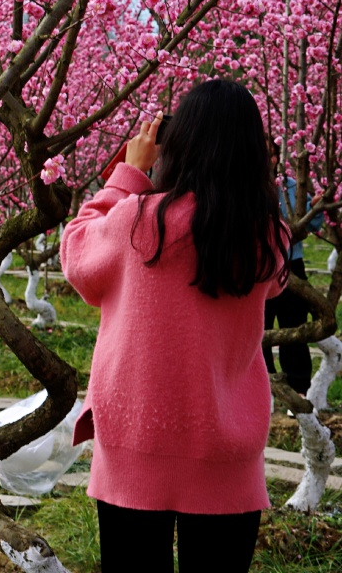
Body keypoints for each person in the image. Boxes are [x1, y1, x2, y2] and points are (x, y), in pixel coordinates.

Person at [60, 79, 290, 573]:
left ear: (177, 141)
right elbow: (272, 287)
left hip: (135, 444)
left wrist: (130, 172)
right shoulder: (268, 237)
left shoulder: (138, 221)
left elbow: (76, 253)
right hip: (227, 451)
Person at [263, 139, 325, 395]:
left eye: (273, 154)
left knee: (295, 326)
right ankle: (265, 388)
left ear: (278, 158)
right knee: (259, 330)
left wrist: (315, 208)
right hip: (260, 266)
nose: (269, 160)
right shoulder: (243, 188)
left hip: (291, 263)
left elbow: (312, 223)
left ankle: (299, 386)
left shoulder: (290, 187)